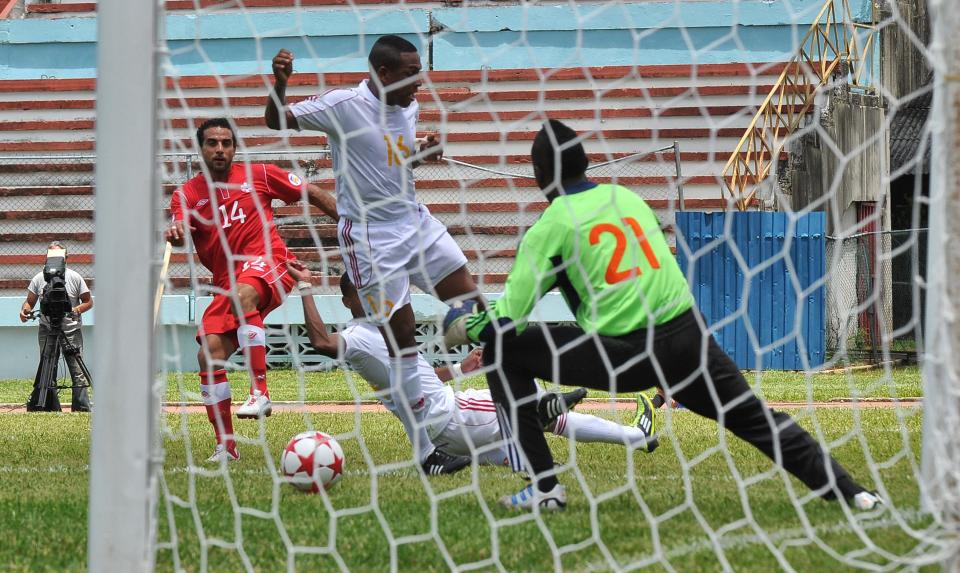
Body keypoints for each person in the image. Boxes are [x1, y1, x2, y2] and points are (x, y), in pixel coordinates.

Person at [444, 119, 883, 512]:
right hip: (688, 337)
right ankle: (852, 492)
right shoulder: (626, 199)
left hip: (628, 353)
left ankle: (544, 486)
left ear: (539, 176)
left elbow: (508, 321)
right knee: (754, 420)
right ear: (587, 162)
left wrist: (463, 323)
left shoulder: (550, 226)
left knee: (505, 349)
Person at [264, 36, 484, 474]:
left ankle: (527, 402)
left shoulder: (408, 104)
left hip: (416, 224)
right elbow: (276, 120)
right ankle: (428, 453)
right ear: (382, 74)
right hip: (371, 241)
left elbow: (390, 160)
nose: (419, 83)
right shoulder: (344, 105)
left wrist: (420, 152)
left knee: (475, 308)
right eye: (409, 74)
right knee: (402, 345)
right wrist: (280, 83)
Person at [286, 261, 659, 471]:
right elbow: (321, 341)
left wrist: (462, 368)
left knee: (512, 451)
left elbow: (420, 380)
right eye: (363, 289)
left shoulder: (385, 331)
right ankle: (633, 436)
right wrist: (304, 287)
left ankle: (525, 457)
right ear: (348, 297)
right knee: (533, 410)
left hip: (442, 425)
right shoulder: (358, 336)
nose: (373, 293)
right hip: (452, 414)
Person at [165, 117, 338, 463]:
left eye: (226, 143)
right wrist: (178, 230)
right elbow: (179, 221)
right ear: (201, 149)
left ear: (234, 148)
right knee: (208, 354)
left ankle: (260, 390)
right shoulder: (186, 194)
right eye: (212, 143)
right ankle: (226, 447)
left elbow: (314, 192)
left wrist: (354, 228)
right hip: (227, 284)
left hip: (269, 262)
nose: (220, 149)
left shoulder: (259, 174)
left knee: (244, 294)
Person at [19, 241, 93, 412]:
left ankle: (82, 408)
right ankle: (49, 408)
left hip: (71, 330)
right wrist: (25, 310)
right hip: (47, 329)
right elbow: (29, 302)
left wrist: (75, 310)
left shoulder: (75, 277)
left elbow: (88, 301)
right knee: (47, 368)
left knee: (77, 370)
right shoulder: (39, 278)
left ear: (66, 258)